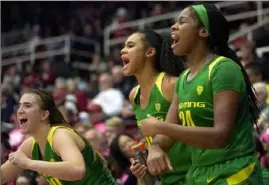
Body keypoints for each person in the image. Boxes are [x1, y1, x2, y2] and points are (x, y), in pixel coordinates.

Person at [140, 4, 263, 185]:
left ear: (203, 32)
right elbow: (167, 133)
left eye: (182, 22)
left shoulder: (223, 69)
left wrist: (159, 127)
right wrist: (155, 147)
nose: (173, 26)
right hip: (199, 173)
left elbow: (220, 136)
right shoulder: (183, 79)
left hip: (234, 172)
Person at [1, 88, 116, 185]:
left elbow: (77, 170)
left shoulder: (60, 135)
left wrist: (28, 163)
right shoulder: (31, 145)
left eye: (27, 106)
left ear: (44, 114)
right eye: (19, 106)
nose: (20, 111)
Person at [121, 30, 190, 185]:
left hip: (193, 175)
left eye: (130, 46)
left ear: (149, 52)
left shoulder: (171, 84)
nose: (122, 50)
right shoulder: (134, 95)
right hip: (167, 179)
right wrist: (143, 166)